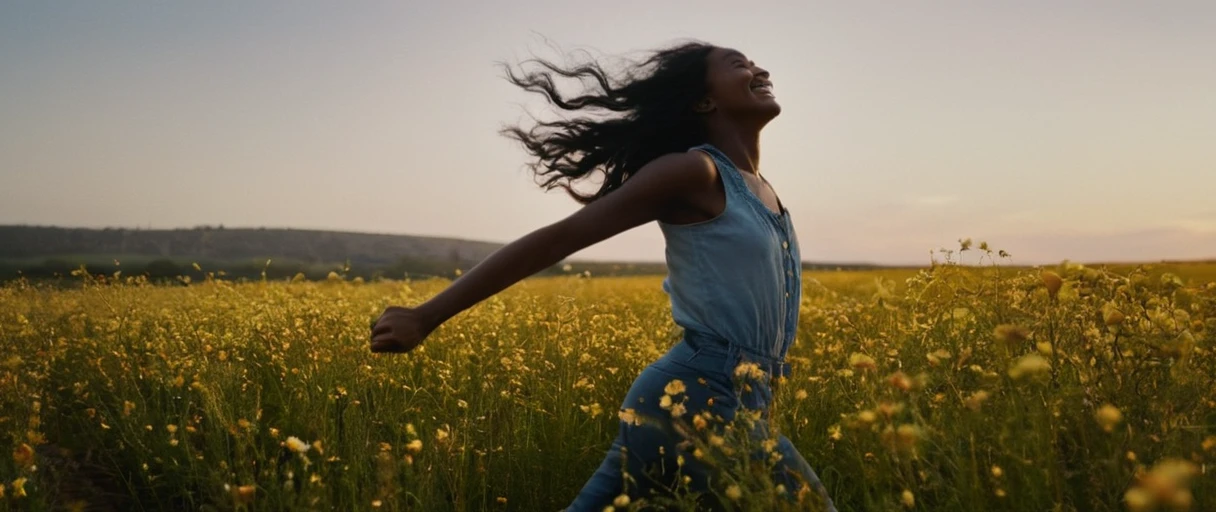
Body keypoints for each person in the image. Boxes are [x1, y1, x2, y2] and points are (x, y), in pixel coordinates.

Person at [370, 40, 837, 511]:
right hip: (698, 395)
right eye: (739, 65)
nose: (759, 68)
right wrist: (426, 315)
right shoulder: (694, 172)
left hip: (733, 397)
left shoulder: (765, 191)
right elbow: (560, 239)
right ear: (703, 101)